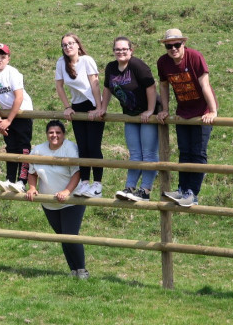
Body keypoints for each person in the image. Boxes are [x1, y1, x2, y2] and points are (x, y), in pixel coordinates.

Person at [156, 28, 218, 207]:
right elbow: (164, 85)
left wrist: (212, 111)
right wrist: (166, 109)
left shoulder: (195, 57)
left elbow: (205, 84)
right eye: (169, 46)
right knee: (184, 151)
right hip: (183, 111)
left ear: (183, 43)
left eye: (177, 44)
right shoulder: (163, 62)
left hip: (202, 111)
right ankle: (182, 189)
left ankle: (193, 193)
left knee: (198, 152)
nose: (173, 49)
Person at [93, 36, 159, 202]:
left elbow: (151, 87)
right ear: (113, 51)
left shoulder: (137, 65)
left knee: (149, 153)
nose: (120, 52)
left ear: (131, 50)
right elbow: (107, 88)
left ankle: (145, 190)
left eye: (124, 49)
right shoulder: (111, 67)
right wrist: (102, 108)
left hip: (148, 114)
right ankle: (130, 188)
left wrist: (150, 110)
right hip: (130, 114)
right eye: (117, 49)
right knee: (135, 153)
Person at [26, 120, 89, 279]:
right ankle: (73, 270)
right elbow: (32, 172)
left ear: (63, 134)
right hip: (49, 203)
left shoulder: (70, 148)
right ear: (47, 134)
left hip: (71, 201)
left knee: (70, 235)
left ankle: (82, 270)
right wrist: (33, 188)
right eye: (51, 133)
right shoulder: (38, 150)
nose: (54, 135)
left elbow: (77, 173)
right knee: (62, 237)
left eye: (58, 133)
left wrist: (67, 191)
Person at [54, 33, 104, 199]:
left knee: (93, 145)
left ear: (77, 45)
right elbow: (59, 86)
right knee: (82, 146)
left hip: (92, 103)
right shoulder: (62, 63)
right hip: (77, 106)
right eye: (64, 45)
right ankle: (84, 182)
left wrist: (98, 108)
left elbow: (95, 84)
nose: (68, 47)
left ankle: (97, 184)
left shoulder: (87, 60)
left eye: (70, 43)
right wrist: (67, 107)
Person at [0, 43, 33, 193]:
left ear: (8, 59)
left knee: (23, 146)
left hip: (21, 112)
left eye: (3, 57)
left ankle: (22, 181)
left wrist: (9, 120)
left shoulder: (13, 73)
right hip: (5, 115)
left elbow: (18, 98)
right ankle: (10, 179)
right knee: (10, 147)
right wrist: (0, 121)